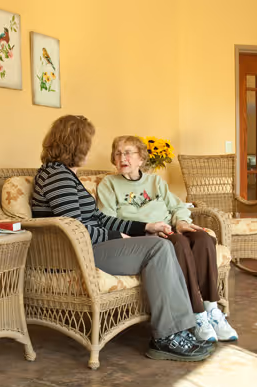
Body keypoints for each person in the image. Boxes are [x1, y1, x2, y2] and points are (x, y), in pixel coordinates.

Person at [31, 115, 213, 362]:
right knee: (159, 248)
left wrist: (144, 227)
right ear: (76, 144)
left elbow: (100, 218)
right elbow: (77, 229)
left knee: (160, 244)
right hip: (80, 252)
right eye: (87, 142)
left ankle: (179, 328)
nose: (90, 148)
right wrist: (119, 236)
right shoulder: (57, 177)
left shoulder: (65, 175)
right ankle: (168, 337)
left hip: (94, 245)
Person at [97, 135, 238, 342]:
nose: (122, 157)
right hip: (144, 237)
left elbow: (178, 206)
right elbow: (107, 220)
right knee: (179, 243)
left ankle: (212, 310)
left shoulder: (155, 182)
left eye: (128, 152)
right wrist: (144, 231)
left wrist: (181, 222)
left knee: (203, 239)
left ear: (141, 159)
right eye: (117, 153)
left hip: (170, 228)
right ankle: (197, 315)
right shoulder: (109, 184)